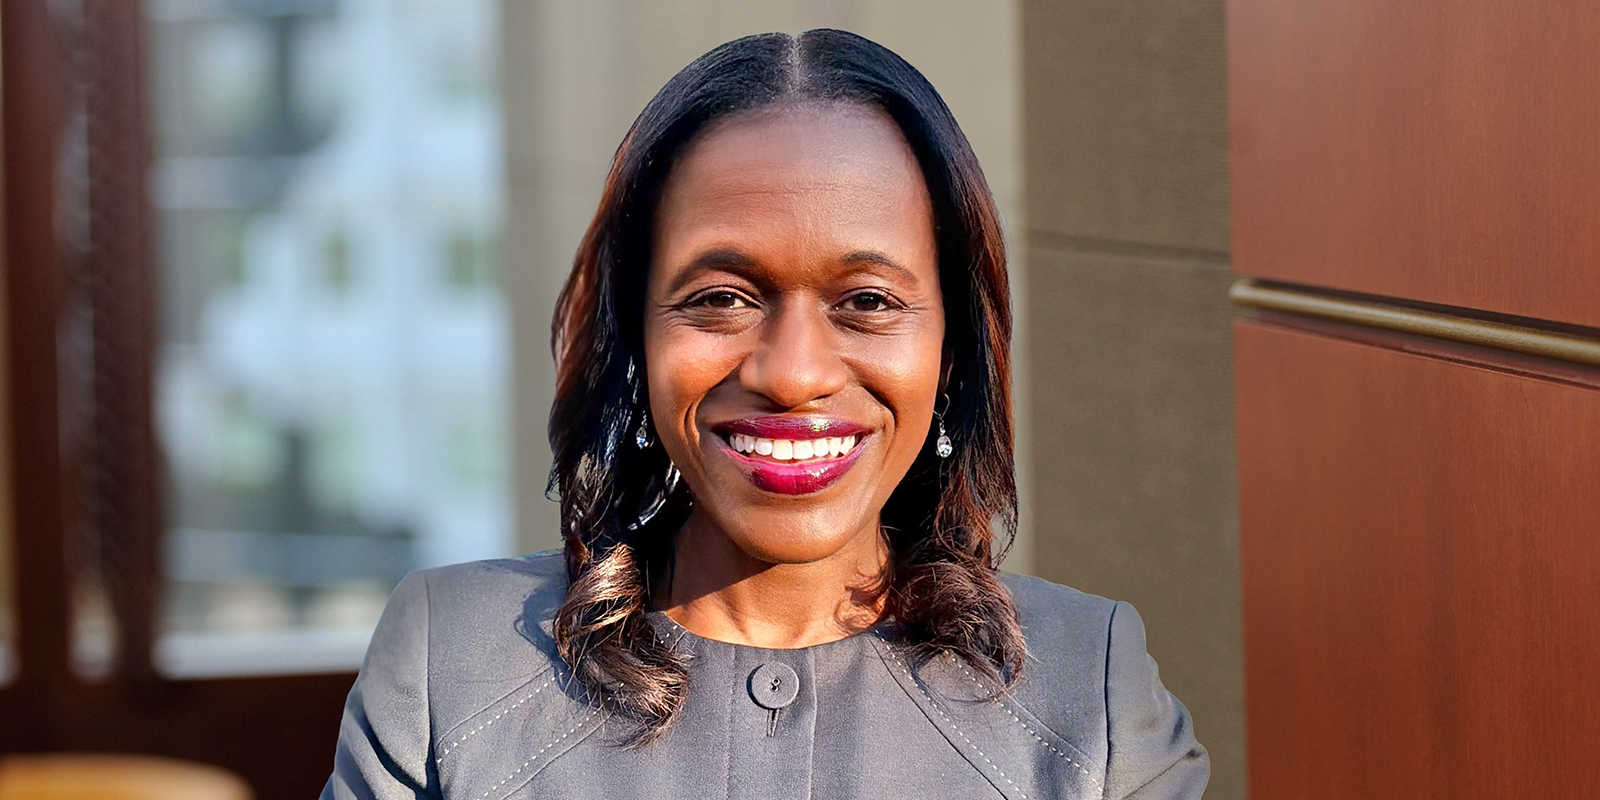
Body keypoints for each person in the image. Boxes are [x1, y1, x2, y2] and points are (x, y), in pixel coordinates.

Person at [322, 29, 1207, 800]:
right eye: (720, 298)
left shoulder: (1089, 694)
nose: (792, 374)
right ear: (634, 337)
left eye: (865, 300)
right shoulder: (454, 667)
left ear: (952, 353)